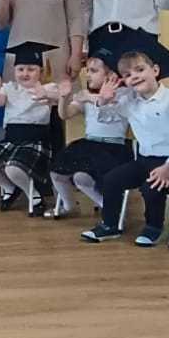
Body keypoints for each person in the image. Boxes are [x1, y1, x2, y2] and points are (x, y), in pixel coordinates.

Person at [80, 34, 169, 245]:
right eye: (128, 75)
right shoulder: (130, 100)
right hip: (145, 160)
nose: (135, 77)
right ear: (125, 81)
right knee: (112, 179)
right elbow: (107, 116)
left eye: (140, 70)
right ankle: (109, 225)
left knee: (151, 187)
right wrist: (103, 99)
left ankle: (153, 227)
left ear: (155, 70)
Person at [45, 37, 133, 220]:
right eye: (87, 70)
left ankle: (109, 208)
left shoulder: (125, 95)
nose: (88, 75)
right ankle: (68, 205)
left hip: (113, 148)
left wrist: (93, 99)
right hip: (89, 144)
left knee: (81, 177)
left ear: (110, 76)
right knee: (57, 172)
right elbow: (65, 114)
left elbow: (109, 108)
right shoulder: (86, 94)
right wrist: (64, 98)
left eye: (94, 71)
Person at [0, 41, 60, 216]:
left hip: (36, 140)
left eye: (31, 69)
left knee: (12, 168)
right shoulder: (9, 88)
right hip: (12, 140)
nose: (25, 73)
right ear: (14, 71)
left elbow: (58, 98)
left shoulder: (48, 87)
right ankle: (9, 188)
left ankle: (34, 196)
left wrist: (45, 94)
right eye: (20, 69)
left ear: (40, 71)